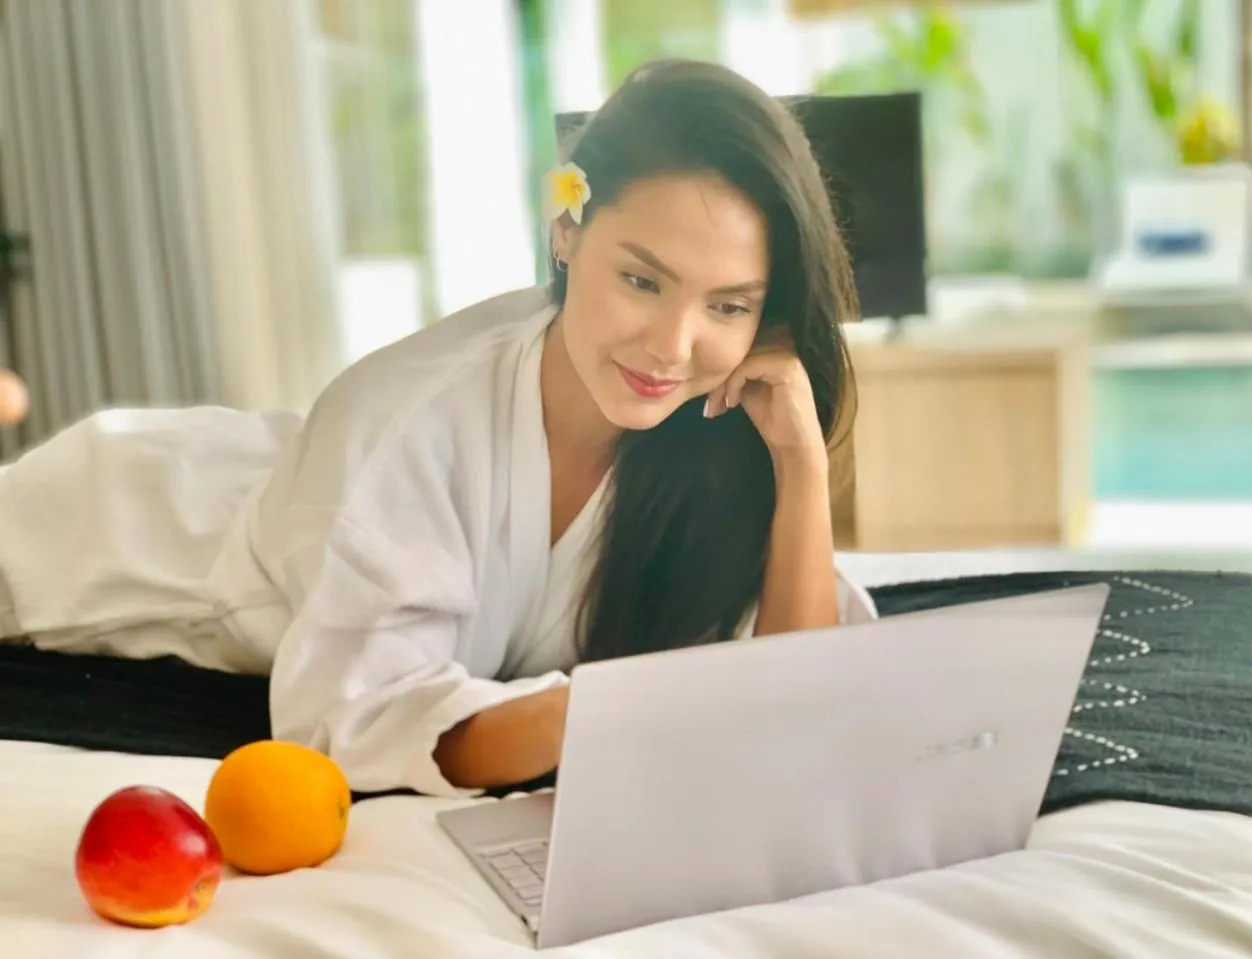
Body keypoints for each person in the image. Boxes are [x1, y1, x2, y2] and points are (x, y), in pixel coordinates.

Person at [0, 59, 874, 798]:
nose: (674, 347)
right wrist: (599, 711)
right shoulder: (412, 425)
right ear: (567, 231)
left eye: (727, 305)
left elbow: (796, 699)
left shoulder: (713, 428)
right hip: (107, 545)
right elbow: (354, 722)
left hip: (297, 486)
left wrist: (799, 465)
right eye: (643, 281)